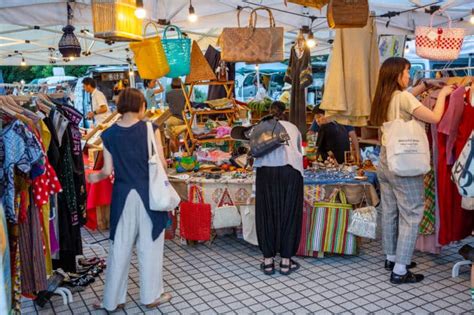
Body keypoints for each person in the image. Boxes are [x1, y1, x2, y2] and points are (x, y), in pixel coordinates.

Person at [370, 57, 454, 285]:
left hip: (386, 160)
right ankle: (399, 270)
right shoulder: (404, 97)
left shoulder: (385, 97)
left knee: (389, 211)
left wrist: (425, 86)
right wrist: (445, 95)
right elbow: (435, 118)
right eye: (406, 72)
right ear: (398, 75)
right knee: (412, 213)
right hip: (404, 162)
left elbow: (408, 97)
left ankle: (391, 257)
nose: (408, 76)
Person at [88, 88, 172, 311]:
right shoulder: (150, 129)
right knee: (150, 247)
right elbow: (162, 164)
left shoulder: (108, 134)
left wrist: (91, 177)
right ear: (141, 106)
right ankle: (151, 296)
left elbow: (106, 171)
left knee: (119, 249)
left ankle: (112, 301)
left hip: (122, 196)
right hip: (149, 196)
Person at [233, 101, 303, 276]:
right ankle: (286, 262)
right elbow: (300, 151)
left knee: (266, 214)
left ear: (268, 112)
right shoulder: (293, 128)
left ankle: (268, 262)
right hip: (290, 172)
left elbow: (253, 150)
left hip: (266, 173)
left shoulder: (260, 126)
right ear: (284, 112)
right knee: (289, 214)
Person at [165, 78, 187, 153]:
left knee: (172, 139)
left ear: (172, 84)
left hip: (170, 119)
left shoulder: (168, 93)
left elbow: (168, 103)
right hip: (181, 119)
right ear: (181, 84)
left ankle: (174, 155)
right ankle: (179, 153)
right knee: (180, 137)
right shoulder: (184, 93)